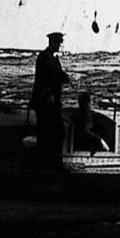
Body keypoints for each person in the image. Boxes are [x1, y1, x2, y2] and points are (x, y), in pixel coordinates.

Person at [30, 31, 70, 169]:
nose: (60, 45)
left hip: (52, 101)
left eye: (60, 42)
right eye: (58, 42)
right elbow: (42, 78)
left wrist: (67, 78)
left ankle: (49, 162)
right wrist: (48, 95)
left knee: (51, 132)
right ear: (52, 42)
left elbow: (57, 74)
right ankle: (50, 164)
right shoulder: (44, 57)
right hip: (45, 101)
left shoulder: (52, 58)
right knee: (52, 132)